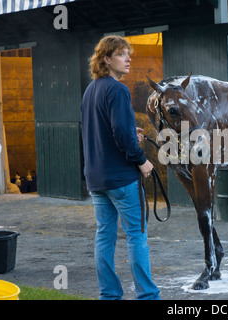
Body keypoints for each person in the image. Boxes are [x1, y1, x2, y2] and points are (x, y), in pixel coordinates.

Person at [81, 35, 160, 300]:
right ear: (106, 59)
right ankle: (148, 296)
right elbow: (121, 136)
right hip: (121, 179)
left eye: (129, 54)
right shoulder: (117, 90)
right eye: (121, 54)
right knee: (137, 237)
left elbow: (106, 130)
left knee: (104, 236)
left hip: (96, 178)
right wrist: (142, 160)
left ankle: (109, 296)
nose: (128, 59)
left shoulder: (91, 90)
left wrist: (129, 131)